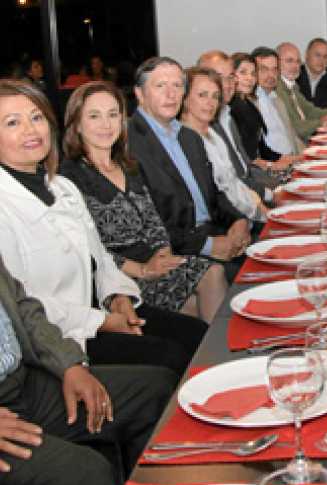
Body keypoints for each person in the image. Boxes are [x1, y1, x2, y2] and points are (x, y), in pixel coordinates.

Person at [0, 78, 207, 375]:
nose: (30, 130)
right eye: (12, 122)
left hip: (103, 307)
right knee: (170, 359)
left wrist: (119, 297)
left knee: (197, 334)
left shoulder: (63, 188)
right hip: (61, 336)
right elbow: (26, 303)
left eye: (36, 118)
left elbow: (100, 258)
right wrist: (103, 320)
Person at [0, 255, 175, 485]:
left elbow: (22, 307)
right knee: (85, 473)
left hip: (20, 381)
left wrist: (69, 364)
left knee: (155, 391)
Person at [59, 80, 228, 324]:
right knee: (210, 286)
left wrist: (163, 254)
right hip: (118, 280)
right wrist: (142, 270)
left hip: (155, 263)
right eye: (94, 116)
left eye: (113, 114)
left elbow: (153, 222)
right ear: (76, 124)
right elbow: (87, 250)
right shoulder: (69, 177)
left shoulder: (128, 165)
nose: (106, 124)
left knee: (213, 288)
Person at [127, 56, 251, 282]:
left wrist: (238, 221)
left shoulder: (189, 137)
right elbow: (149, 223)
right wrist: (209, 245)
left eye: (177, 85)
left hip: (213, 232)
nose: (171, 94)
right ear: (140, 93)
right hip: (175, 252)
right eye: (160, 85)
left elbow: (214, 194)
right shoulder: (127, 144)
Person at [180, 66, 269, 223]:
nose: (210, 103)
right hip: (228, 223)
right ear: (184, 98)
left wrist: (262, 211)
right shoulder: (184, 141)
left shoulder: (213, 133)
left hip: (249, 214)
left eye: (215, 96)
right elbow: (218, 198)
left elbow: (234, 183)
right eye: (202, 95)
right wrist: (258, 215)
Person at [197, 50, 283, 196]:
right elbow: (231, 181)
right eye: (219, 77)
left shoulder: (228, 115)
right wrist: (271, 192)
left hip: (254, 185)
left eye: (230, 77)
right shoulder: (205, 123)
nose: (227, 84)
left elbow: (246, 167)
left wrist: (277, 185)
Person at [229, 52, 296, 169]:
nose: (249, 78)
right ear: (231, 75)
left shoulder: (247, 104)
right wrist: (275, 166)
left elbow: (262, 149)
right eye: (243, 72)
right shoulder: (232, 109)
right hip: (251, 173)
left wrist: (294, 159)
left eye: (253, 73)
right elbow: (246, 158)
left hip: (263, 167)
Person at [275, 42, 327, 142]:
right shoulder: (277, 89)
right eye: (289, 61)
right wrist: (323, 121)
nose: (295, 66)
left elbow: (310, 111)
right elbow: (295, 127)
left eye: (297, 61)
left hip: (305, 140)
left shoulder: (292, 86)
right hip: (296, 145)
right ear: (276, 63)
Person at [251, 47, 306, 157]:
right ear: (253, 72)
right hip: (276, 164)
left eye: (274, 69)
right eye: (264, 69)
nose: (271, 75)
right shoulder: (250, 104)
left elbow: (292, 137)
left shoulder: (277, 100)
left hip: (293, 160)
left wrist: (308, 155)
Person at [297, 38, 327, 108]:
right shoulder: (295, 74)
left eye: (325, 57)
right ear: (307, 55)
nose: (321, 60)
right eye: (317, 55)